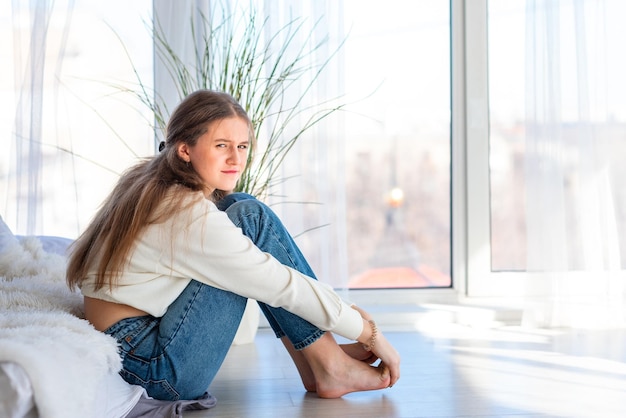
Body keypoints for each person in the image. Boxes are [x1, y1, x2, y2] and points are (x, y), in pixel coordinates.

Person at [66, 89, 400, 402]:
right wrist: (368, 331)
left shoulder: (153, 181)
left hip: (135, 342)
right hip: (154, 370)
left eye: (241, 147)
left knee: (244, 209)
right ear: (185, 149)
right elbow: (280, 285)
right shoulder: (182, 213)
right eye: (221, 145)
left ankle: (320, 362)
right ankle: (328, 364)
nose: (235, 159)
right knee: (249, 225)